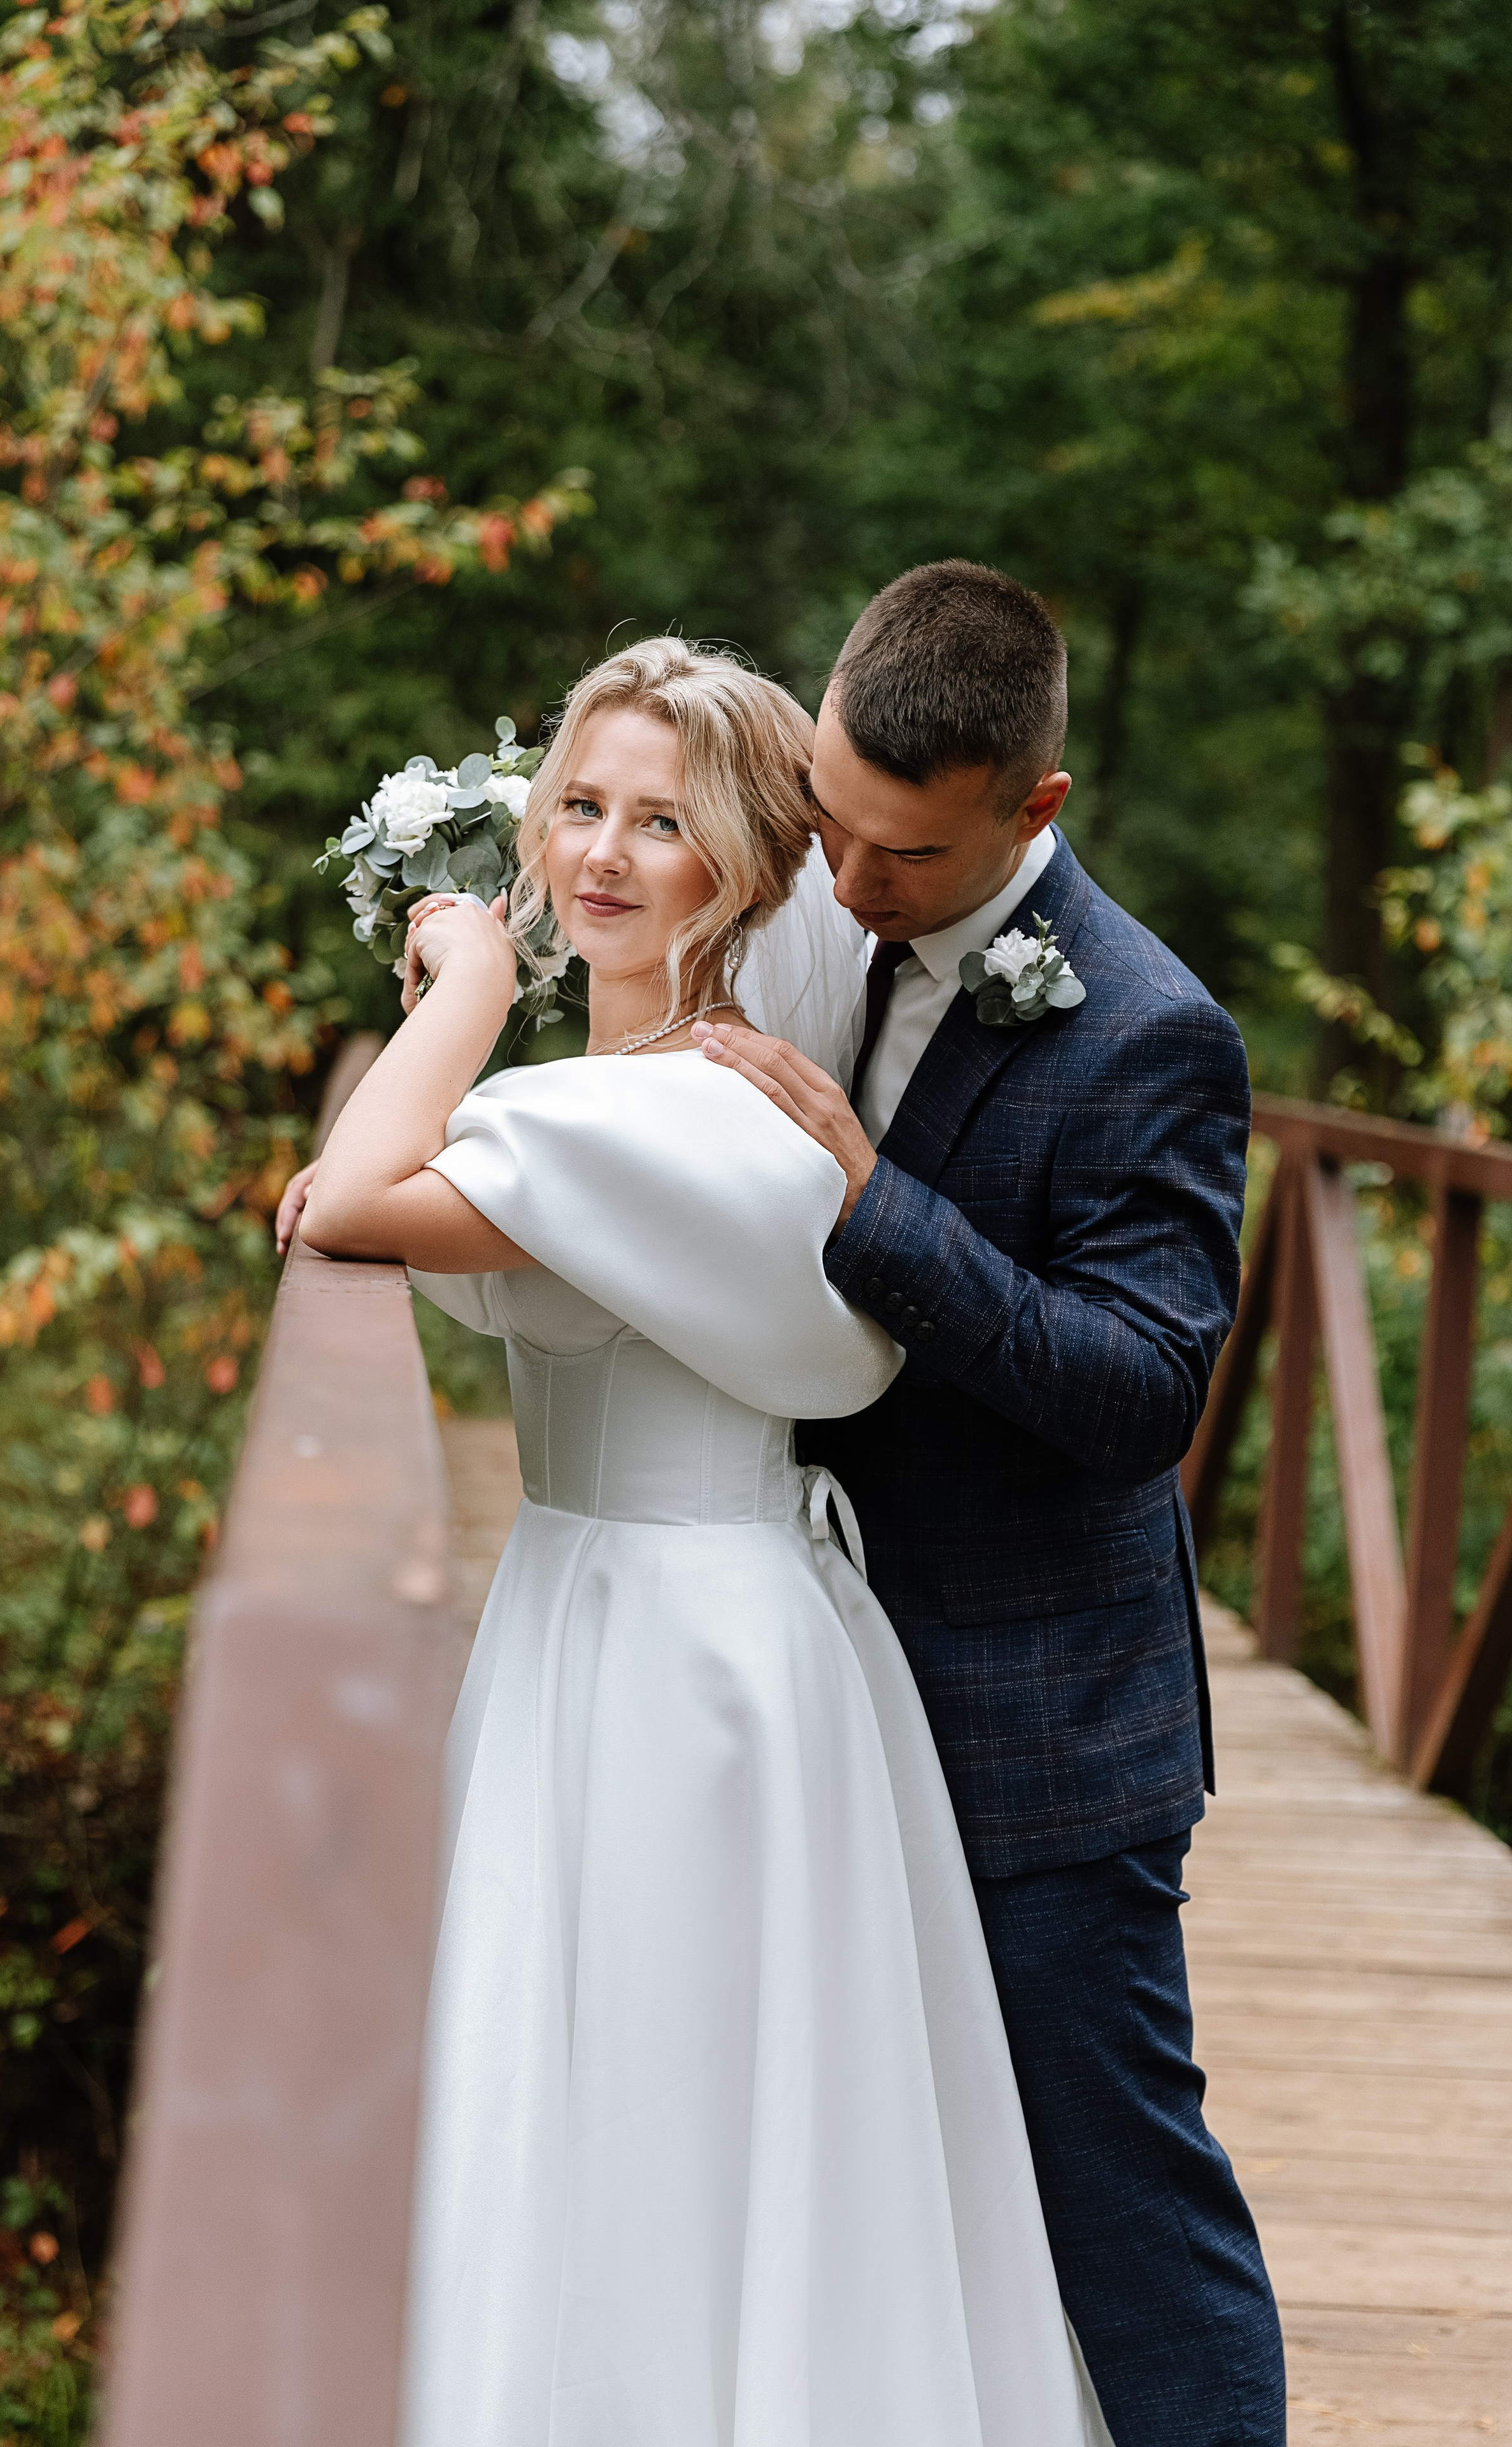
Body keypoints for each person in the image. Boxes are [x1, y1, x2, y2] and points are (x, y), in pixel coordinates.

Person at [298, 637, 1112, 2446]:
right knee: (671, 2092)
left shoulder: (654, 1111)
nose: (599, 852)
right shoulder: (682, 1099)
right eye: (577, 805)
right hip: (671, 1617)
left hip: (664, 1650)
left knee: (659, 2092)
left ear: (743, 871)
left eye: (660, 822)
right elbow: (383, 1202)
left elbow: (345, 1201)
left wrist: (465, 980)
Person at [694, 560, 1287, 2447]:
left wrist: (877, 1204)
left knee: (1121, 2204)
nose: (851, 889)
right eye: (835, 832)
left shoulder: (1150, 1033)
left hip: (1045, 1733)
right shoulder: (826, 915)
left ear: (1035, 809)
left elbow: (1142, 1393)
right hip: (832, 1691)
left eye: (906, 860)